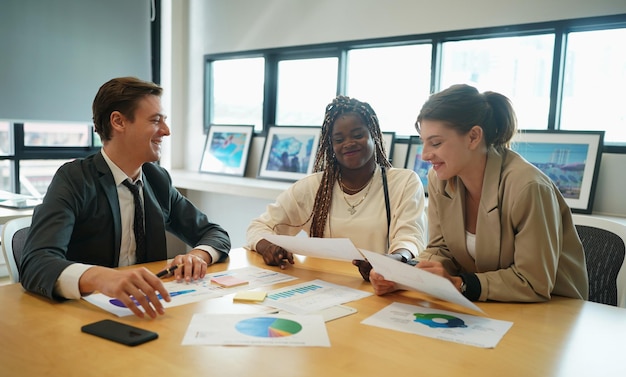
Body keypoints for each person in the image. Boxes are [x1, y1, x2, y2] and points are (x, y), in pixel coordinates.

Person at [20, 77, 231, 318]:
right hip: (84, 315)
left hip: (147, 311)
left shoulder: (157, 179)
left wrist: (197, 256)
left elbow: (215, 234)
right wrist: (102, 277)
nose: (166, 131)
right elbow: (36, 263)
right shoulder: (75, 179)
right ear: (118, 122)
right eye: (155, 120)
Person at [370, 84, 588, 302]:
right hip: (492, 306)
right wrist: (405, 275)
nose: (426, 155)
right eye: (423, 143)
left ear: (473, 137)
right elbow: (441, 249)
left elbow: (533, 282)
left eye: (435, 143)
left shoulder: (527, 187)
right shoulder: (441, 179)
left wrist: (460, 283)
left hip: (553, 311)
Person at [246, 96, 427, 279]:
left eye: (357, 135)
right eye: (339, 139)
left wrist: (390, 261)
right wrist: (268, 247)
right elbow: (259, 227)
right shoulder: (313, 187)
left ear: (374, 135)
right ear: (331, 146)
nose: (348, 143)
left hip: (380, 286)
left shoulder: (404, 182)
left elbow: (410, 239)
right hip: (322, 288)